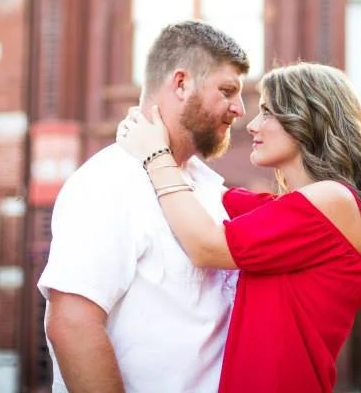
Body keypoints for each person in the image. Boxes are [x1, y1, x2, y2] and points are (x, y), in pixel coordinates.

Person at [117, 62, 361, 393]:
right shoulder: (294, 209)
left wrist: (157, 155)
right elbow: (211, 196)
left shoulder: (333, 201)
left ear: (307, 119)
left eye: (267, 112)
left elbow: (207, 246)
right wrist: (169, 141)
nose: (252, 125)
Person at [37, 20, 251, 393]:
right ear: (181, 83)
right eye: (228, 91)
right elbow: (71, 324)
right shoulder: (109, 182)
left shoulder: (208, 188)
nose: (240, 109)